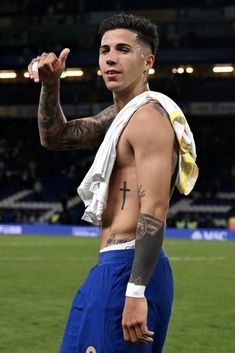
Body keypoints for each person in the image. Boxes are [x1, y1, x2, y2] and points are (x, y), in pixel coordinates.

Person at [28, 13, 198, 353]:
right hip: (109, 268)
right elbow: (55, 137)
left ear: (147, 61)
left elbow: (154, 210)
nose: (110, 58)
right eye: (105, 49)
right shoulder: (119, 117)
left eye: (123, 49)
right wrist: (50, 85)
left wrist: (135, 293)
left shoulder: (148, 119)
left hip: (128, 272)